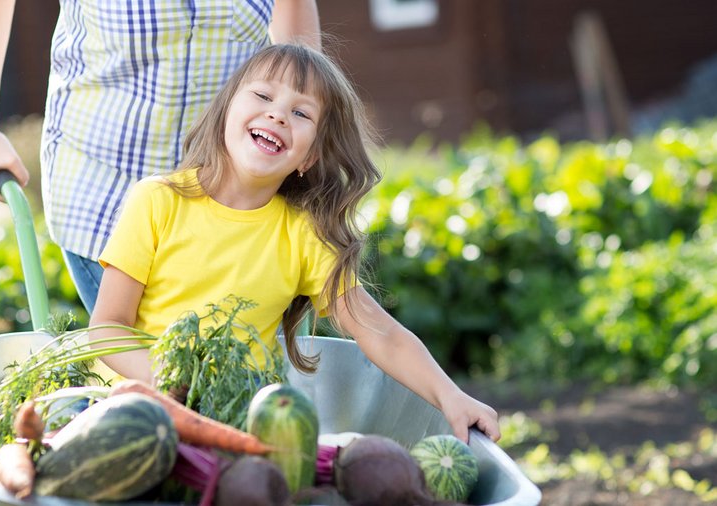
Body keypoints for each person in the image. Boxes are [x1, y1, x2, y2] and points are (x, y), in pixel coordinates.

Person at [88, 44, 500, 443]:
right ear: (226, 111)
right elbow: (107, 328)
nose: (277, 114)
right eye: (264, 95)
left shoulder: (302, 234)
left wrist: (451, 396)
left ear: (310, 157)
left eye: (300, 112)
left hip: (238, 424)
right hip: (137, 413)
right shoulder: (159, 200)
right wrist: (172, 381)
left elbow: (380, 333)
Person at [0, 0, 321, 313]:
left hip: (231, 200)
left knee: (227, 374)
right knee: (153, 376)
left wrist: (309, 121)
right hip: (106, 190)